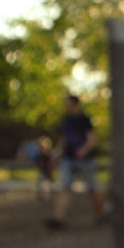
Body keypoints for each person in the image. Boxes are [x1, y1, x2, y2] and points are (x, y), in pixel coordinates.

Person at [46, 95, 105, 228]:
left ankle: (100, 215)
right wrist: (56, 155)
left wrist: (83, 150)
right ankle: (58, 218)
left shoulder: (84, 119)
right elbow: (63, 141)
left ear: (76, 105)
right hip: (69, 158)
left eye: (70, 105)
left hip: (86, 160)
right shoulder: (65, 120)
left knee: (93, 188)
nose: (68, 107)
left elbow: (91, 138)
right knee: (63, 187)